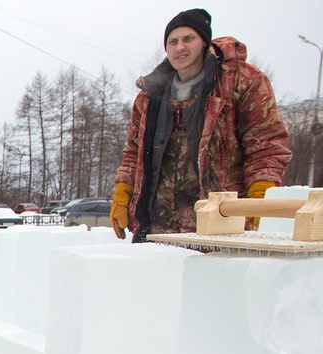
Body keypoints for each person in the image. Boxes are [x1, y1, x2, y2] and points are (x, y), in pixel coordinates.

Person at [111, 8, 292, 242]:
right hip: (158, 226)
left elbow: (265, 146)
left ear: (205, 42)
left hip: (220, 225)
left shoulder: (240, 81)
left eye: (188, 38)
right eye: (172, 41)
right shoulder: (150, 95)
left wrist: (259, 198)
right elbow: (133, 152)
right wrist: (123, 193)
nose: (180, 47)